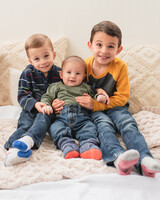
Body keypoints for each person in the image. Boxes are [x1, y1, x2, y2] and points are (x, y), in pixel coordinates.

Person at [54, 21, 160, 177]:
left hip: (116, 106)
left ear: (119, 49)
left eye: (111, 46)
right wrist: (56, 102)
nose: (104, 51)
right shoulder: (84, 65)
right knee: (103, 126)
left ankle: (144, 158)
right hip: (94, 109)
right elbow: (72, 89)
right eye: (99, 45)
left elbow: (122, 97)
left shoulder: (120, 66)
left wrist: (98, 104)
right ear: (90, 46)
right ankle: (117, 158)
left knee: (128, 123)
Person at [14, 56, 108, 160]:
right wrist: (46, 105)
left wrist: (99, 97)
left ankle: (89, 146)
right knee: (55, 129)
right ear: (61, 74)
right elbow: (47, 97)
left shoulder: (85, 87)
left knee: (89, 129)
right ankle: (67, 146)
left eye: (78, 73)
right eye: (69, 72)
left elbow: (93, 95)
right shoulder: (55, 86)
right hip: (61, 118)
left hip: (82, 118)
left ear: (84, 76)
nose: (73, 76)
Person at [4, 33, 61, 166]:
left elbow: (64, 92)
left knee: (42, 121)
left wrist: (57, 103)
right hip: (31, 108)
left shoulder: (60, 73)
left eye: (46, 56)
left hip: (48, 110)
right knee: (25, 124)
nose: (43, 62)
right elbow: (22, 95)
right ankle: (12, 150)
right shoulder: (28, 73)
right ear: (30, 61)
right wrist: (35, 104)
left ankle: (28, 143)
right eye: (37, 58)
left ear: (54, 54)